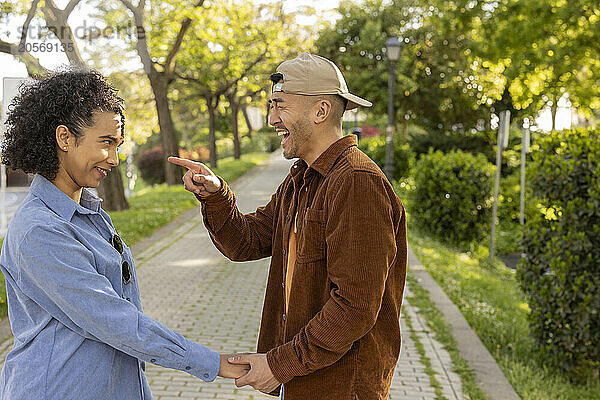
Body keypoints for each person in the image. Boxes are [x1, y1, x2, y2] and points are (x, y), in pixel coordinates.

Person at [169, 52, 407, 400]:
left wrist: (279, 364)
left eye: (280, 105)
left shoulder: (356, 181)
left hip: (340, 388)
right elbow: (246, 242)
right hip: (303, 383)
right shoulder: (302, 180)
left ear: (320, 111)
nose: (271, 118)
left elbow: (355, 307)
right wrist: (217, 196)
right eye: (271, 105)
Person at [0, 69, 248, 400]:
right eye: (105, 143)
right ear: (64, 138)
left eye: (117, 145)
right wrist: (213, 363)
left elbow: (124, 322)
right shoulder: (40, 229)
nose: (114, 159)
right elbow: (115, 322)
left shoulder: (91, 215)